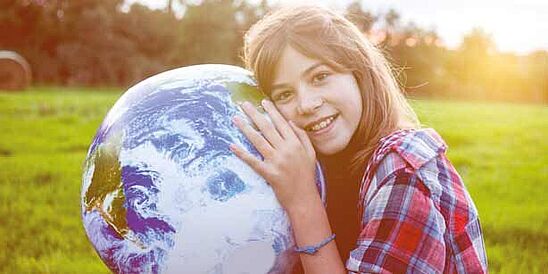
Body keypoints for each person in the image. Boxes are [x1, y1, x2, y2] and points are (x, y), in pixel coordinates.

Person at [229, 5, 488, 273]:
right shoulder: (319, 164)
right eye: (284, 94)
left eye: (320, 77)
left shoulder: (402, 173)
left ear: (359, 72)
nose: (306, 104)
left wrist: (302, 201)